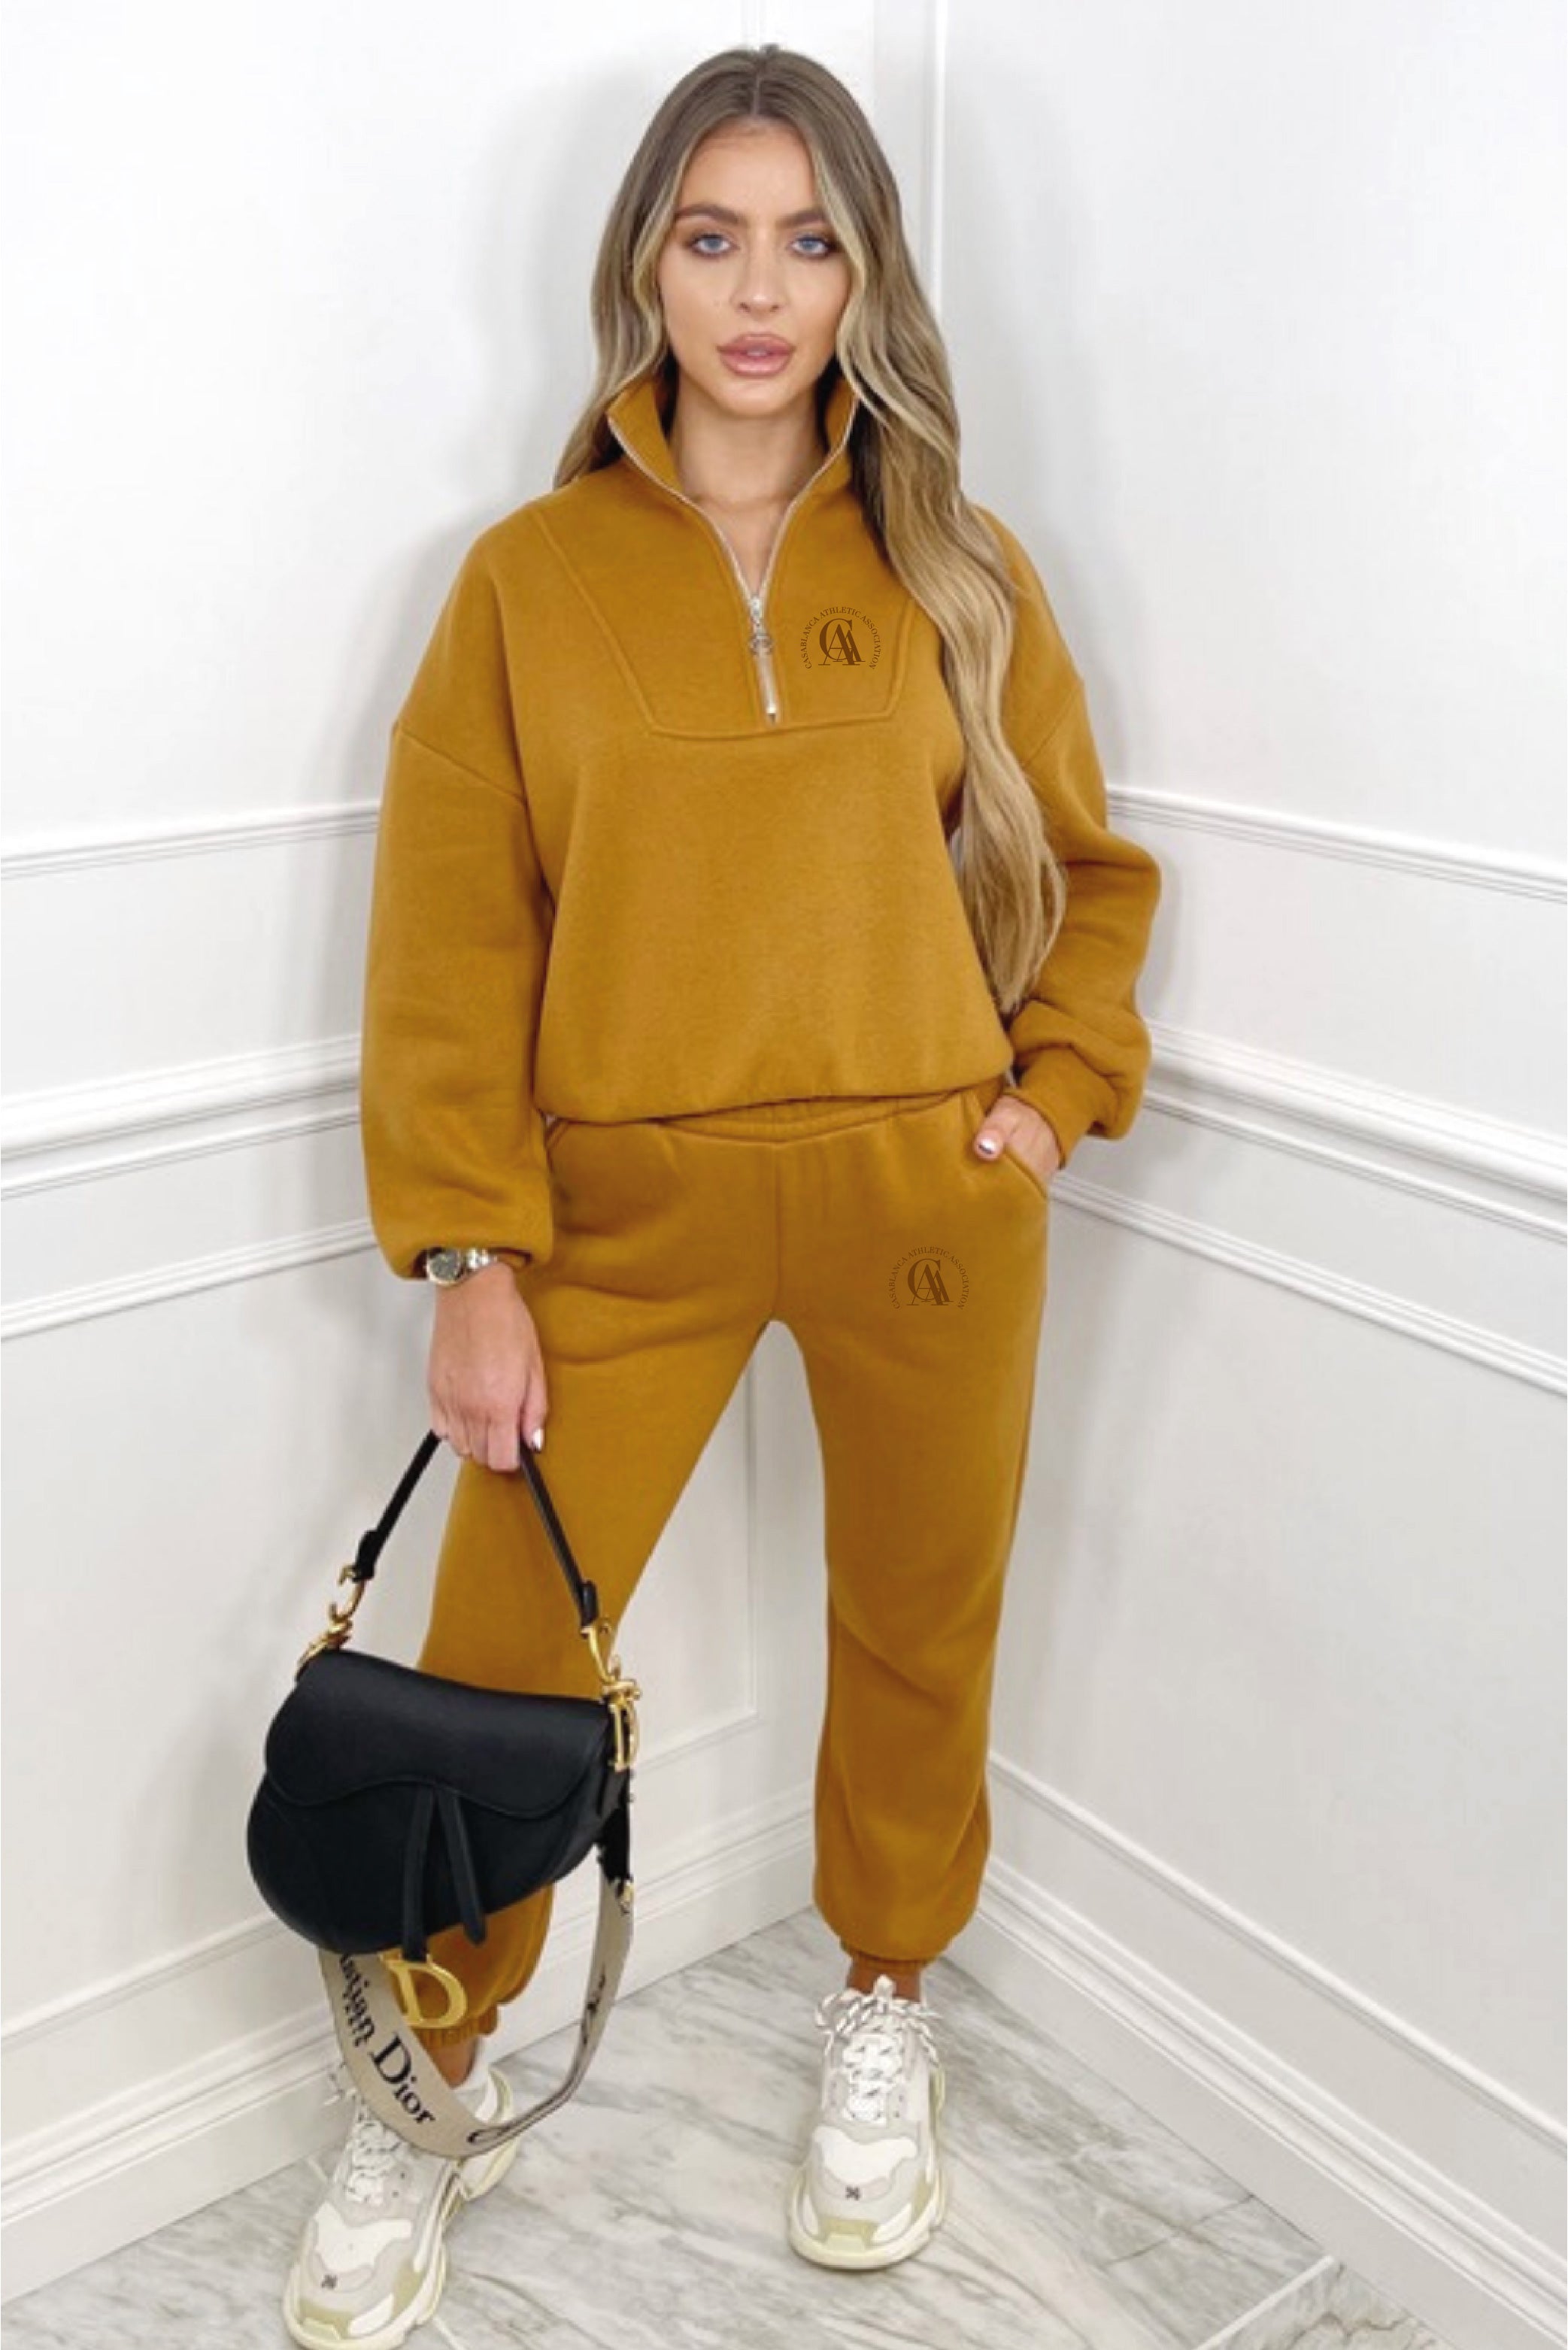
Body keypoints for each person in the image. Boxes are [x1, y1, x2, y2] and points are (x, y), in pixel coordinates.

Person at [283, 38, 1162, 2350]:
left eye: (809, 242)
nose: (759, 294)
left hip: (922, 1198)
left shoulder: (961, 567)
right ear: (646, 269)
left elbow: (1091, 876)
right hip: (614, 1226)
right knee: (499, 1669)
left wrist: (1048, 1102)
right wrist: (474, 1254)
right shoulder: (528, 580)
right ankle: (430, 2082)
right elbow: (453, 942)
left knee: (920, 1629)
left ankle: (885, 2004)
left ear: (866, 276)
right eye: (712, 237)